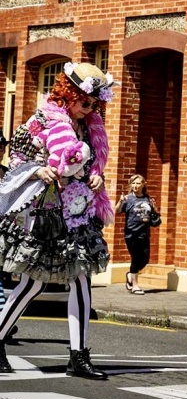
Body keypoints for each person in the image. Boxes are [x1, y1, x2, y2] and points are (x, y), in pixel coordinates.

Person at [0, 62, 115, 378]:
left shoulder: (91, 125)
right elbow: (16, 158)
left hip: (77, 214)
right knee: (33, 282)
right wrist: (39, 170)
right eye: (85, 102)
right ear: (70, 94)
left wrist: (97, 179)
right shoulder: (43, 119)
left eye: (94, 104)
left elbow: (92, 165)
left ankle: (78, 356)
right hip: (45, 211)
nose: (89, 109)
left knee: (81, 277)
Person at [115, 174, 161, 294]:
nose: (135, 186)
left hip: (144, 234)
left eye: (138, 183)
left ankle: (130, 275)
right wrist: (120, 202)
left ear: (143, 184)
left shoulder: (147, 199)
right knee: (135, 259)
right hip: (131, 234)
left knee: (144, 260)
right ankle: (135, 285)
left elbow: (153, 216)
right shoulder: (128, 198)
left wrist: (155, 209)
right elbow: (116, 211)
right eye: (133, 183)